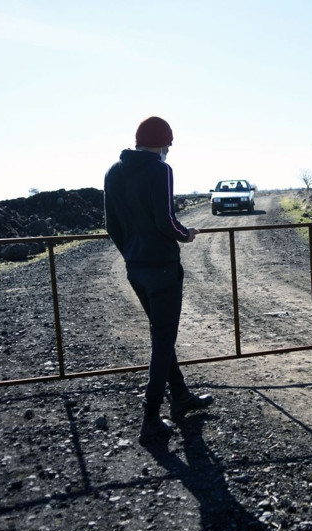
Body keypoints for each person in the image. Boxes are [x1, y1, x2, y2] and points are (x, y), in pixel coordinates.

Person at [104, 116, 213, 444]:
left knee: (161, 334)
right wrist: (186, 234)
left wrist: (131, 255)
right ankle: (150, 416)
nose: (168, 149)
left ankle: (180, 396)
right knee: (162, 340)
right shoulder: (160, 170)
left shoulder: (114, 171)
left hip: (136, 268)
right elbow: (165, 219)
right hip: (163, 268)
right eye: (168, 143)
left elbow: (112, 225)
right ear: (162, 142)